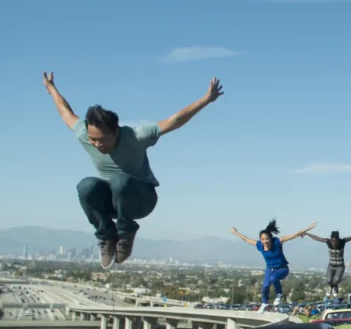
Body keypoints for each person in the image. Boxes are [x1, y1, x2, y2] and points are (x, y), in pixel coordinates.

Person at [44, 71, 223, 268]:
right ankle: (107, 237)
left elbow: (175, 121)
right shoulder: (84, 134)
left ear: (117, 131)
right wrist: (52, 88)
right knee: (85, 186)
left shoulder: (136, 137)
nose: (97, 144)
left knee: (120, 180)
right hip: (113, 201)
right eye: (93, 139)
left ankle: (126, 234)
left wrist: (206, 100)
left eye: (103, 139)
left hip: (141, 199)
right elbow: (65, 112)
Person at [232, 220, 315, 311]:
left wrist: (308, 228)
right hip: (269, 269)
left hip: (282, 269)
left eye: (266, 239)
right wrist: (236, 233)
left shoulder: (277, 242)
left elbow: (294, 235)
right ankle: (264, 303)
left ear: (270, 238)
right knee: (265, 286)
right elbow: (246, 239)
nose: (265, 241)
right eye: (262, 239)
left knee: (273, 278)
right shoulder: (259, 245)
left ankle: (279, 293)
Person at [303, 223, 351, 296]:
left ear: (338, 240)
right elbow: (317, 238)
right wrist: (307, 234)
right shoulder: (328, 241)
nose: (334, 243)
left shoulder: (343, 242)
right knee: (329, 281)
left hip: (340, 266)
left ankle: (335, 286)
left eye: (335, 241)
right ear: (331, 239)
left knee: (337, 280)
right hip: (331, 266)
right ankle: (331, 287)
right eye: (332, 241)